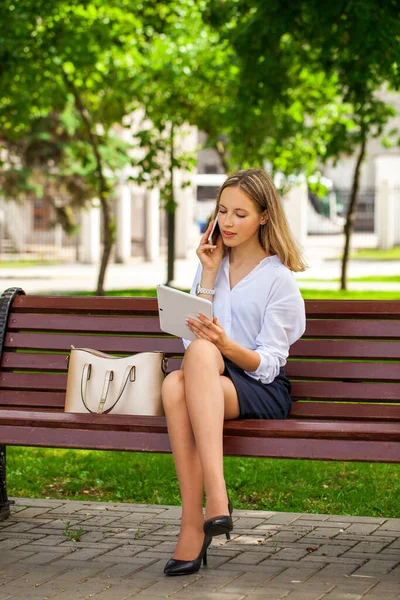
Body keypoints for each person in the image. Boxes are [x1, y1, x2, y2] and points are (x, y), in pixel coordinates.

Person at [161, 168, 307, 576]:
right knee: (177, 381)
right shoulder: (211, 266)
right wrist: (208, 274)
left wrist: (225, 346)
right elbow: (191, 347)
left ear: (264, 216)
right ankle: (200, 517)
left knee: (183, 378)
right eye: (222, 211)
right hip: (211, 380)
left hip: (262, 387)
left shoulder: (279, 280)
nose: (227, 222)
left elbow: (270, 364)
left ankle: (209, 506)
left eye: (240, 213)